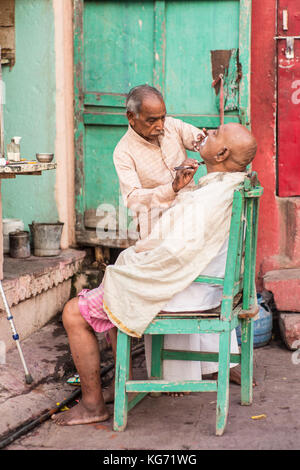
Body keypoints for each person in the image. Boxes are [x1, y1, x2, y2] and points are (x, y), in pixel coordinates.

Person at [52, 121, 257, 426]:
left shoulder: (212, 197)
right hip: (208, 288)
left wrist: (138, 261)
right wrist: (173, 192)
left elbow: (175, 255)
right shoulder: (230, 186)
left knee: (74, 312)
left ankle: (93, 404)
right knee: (119, 274)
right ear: (132, 119)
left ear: (222, 152)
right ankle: (119, 383)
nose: (206, 133)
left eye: (214, 134)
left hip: (189, 291)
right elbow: (151, 216)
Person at [113, 85, 241, 388]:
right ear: (131, 117)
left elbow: (199, 140)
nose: (160, 126)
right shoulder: (123, 152)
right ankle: (177, 376)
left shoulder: (171, 127)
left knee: (201, 270)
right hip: (161, 228)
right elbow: (132, 199)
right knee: (171, 276)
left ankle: (220, 364)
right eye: (151, 120)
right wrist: (171, 188)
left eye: (163, 117)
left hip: (190, 220)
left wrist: (209, 142)